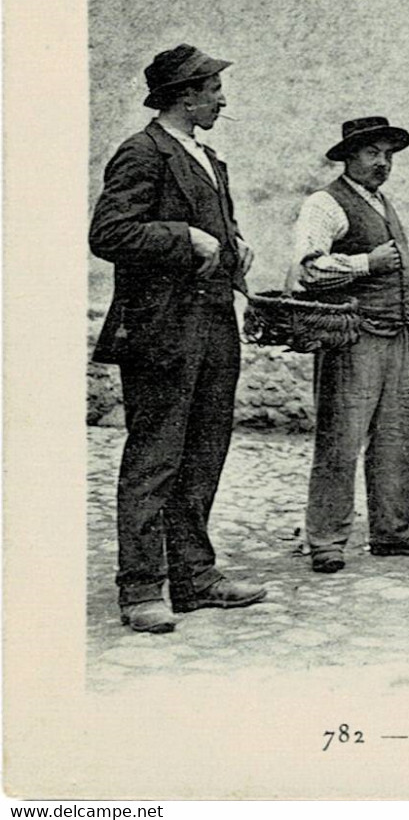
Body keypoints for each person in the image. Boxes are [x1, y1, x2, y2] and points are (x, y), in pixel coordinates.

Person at [89, 45, 268, 632]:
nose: (222, 99)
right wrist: (184, 237)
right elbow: (110, 232)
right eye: (214, 89)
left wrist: (236, 247)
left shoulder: (209, 158)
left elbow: (221, 232)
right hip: (161, 328)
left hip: (213, 323)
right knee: (155, 457)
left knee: (203, 453)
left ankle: (194, 576)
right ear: (185, 94)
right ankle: (141, 589)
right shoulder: (143, 151)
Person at [290, 117, 409, 573]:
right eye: (373, 153)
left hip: (395, 337)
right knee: (341, 439)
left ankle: (392, 532)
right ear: (349, 156)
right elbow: (308, 269)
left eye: (389, 155)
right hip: (351, 338)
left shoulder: (386, 205)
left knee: (400, 438)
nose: (383, 163)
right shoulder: (325, 204)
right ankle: (326, 540)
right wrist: (365, 263)